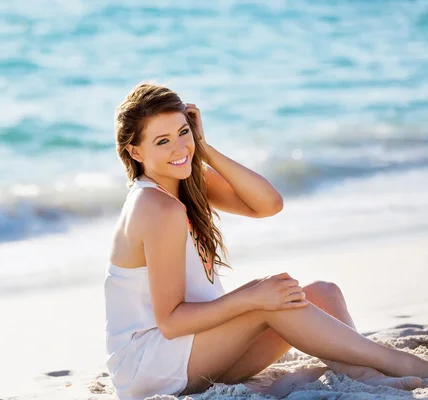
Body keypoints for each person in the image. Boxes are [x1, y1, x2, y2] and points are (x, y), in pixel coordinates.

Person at [104, 82, 428, 400]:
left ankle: (362, 374)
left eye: (183, 132)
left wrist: (204, 149)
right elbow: (171, 323)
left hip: (194, 349)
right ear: (135, 151)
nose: (179, 149)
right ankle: (397, 362)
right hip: (151, 367)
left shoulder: (185, 181)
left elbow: (269, 204)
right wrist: (252, 297)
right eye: (162, 141)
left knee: (322, 294)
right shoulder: (155, 207)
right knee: (270, 300)